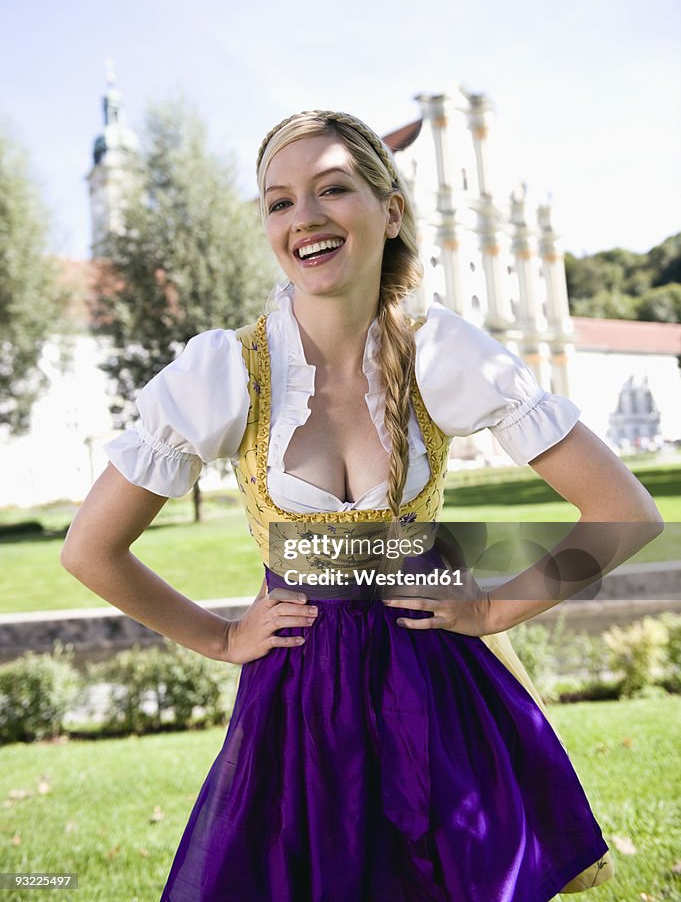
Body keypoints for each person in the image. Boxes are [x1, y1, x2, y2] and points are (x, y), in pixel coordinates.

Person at [61, 109, 663, 902]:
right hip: (298, 697)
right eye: (278, 201)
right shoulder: (227, 371)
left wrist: (493, 609)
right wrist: (217, 635)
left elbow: (624, 512)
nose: (303, 217)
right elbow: (89, 550)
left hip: (435, 683)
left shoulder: (442, 351)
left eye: (332, 189)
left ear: (390, 209)